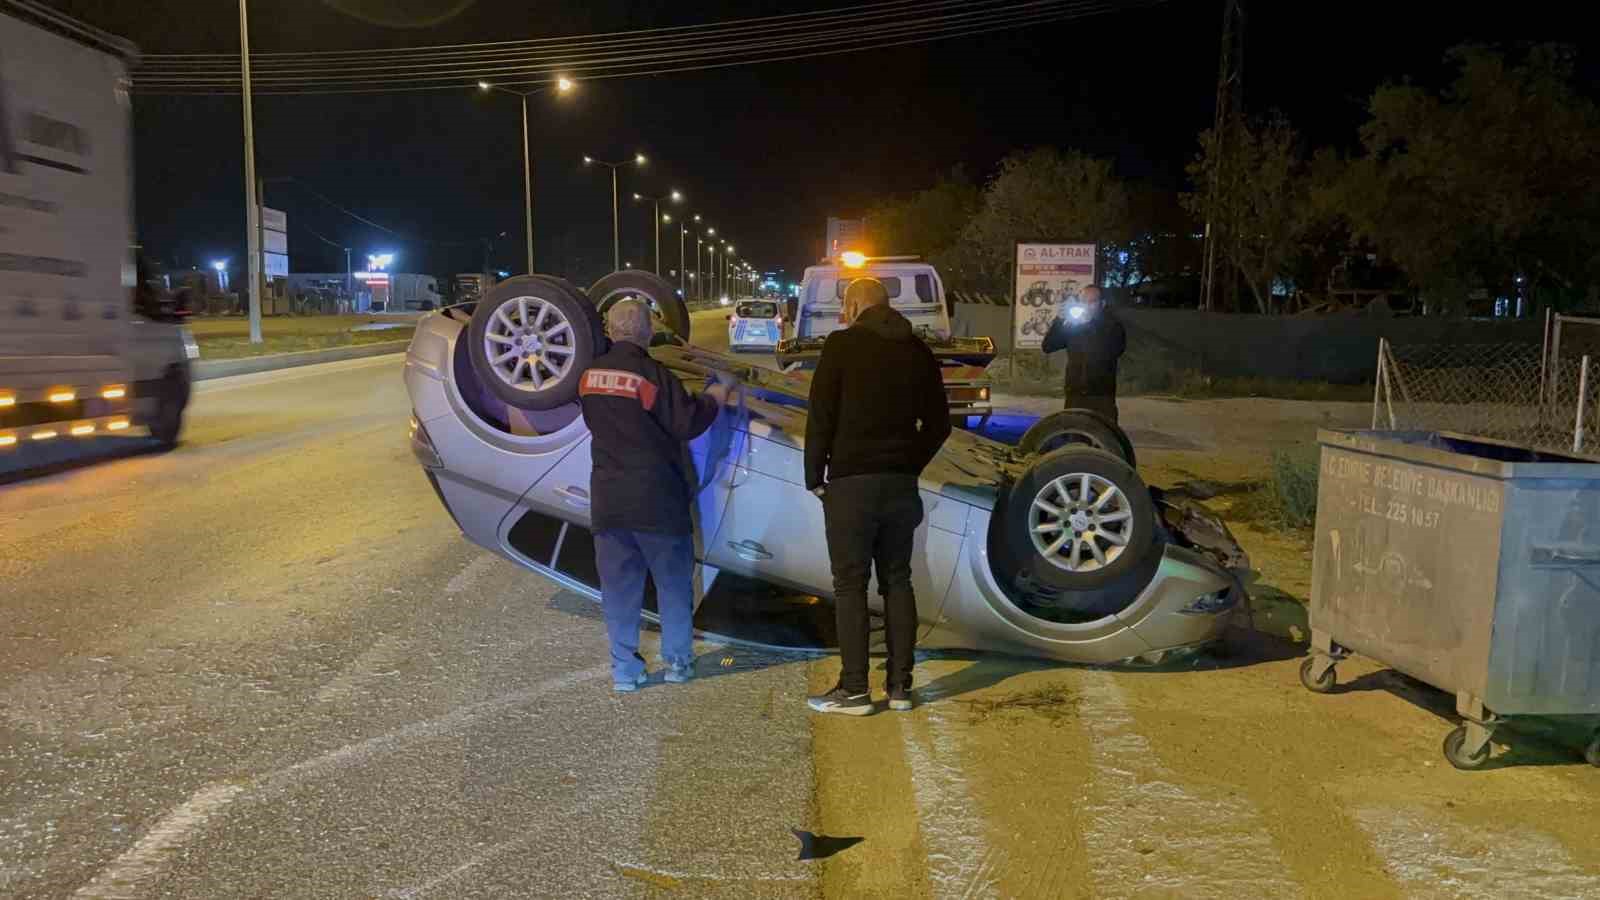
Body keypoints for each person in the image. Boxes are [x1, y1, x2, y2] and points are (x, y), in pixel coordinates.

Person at [804, 277, 952, 716]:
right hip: (899, 485)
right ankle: (901, 689)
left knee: (850, 586)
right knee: (897, 581)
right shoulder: (918, 351)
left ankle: (854, 691)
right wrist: (909, 464)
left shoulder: (841, 346)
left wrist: (815, 476)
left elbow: (821, 415)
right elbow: (940, 424)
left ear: (853, 305)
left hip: (851, 485)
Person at [578, 299, 736, 693]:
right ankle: (679, 664)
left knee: (618, 591)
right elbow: (688, 422)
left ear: (611, 331)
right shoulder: (652, 375)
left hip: (609, 501)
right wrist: (716, 392)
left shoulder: (587, 376)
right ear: (647, 331)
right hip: (656, 499)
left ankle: (625, 672)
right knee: (672, 586)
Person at [1041, 284, 1126, 422]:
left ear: (1101, 304)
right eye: (1083, 301)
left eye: (1091, 302)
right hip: (1075, 393)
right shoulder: (1074, 327)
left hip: (1101, 394)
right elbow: (1048, 346)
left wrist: (1090, 324)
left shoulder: (1112, 325)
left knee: (1103, 437)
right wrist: (1059, 320)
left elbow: (1113, 350)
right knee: (1074, 436)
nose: (1086, 306)